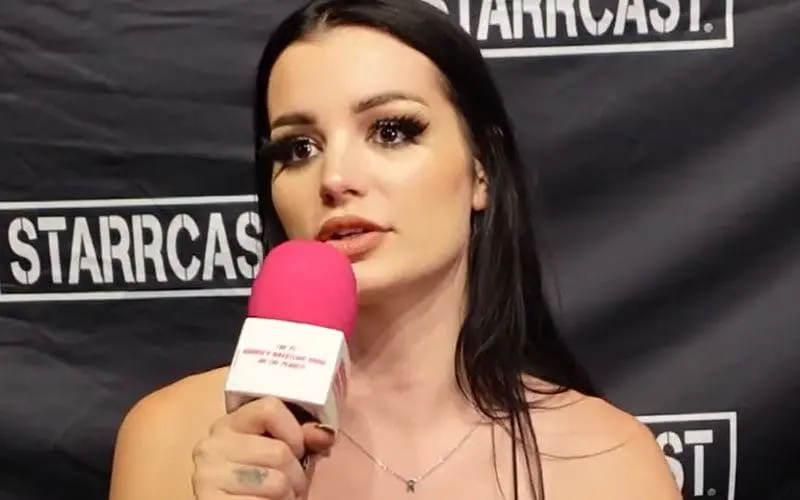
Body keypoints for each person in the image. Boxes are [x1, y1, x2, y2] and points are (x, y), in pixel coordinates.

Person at [108, 1, 682, 499]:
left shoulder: (608, 460)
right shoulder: (175, 437)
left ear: (481, 170)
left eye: (391, 131)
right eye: (299, 148)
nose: (335, 178)